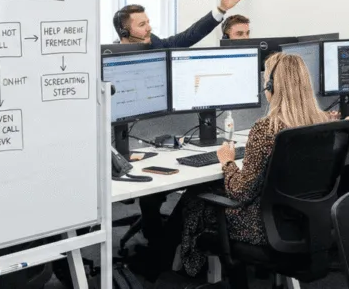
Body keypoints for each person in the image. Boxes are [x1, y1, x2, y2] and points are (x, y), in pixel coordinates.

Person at [135, 53, 329, 281]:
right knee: (199, 196)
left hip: (261, 227)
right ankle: (166, 264)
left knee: (195, 196)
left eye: (266, 79)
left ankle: (166, 268)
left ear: (272, 86)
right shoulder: (323, 121)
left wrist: (227, 161)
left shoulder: (266, 128)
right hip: (302, 221)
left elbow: (240, 191)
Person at [113, 0, 245, 47]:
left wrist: (221, 9)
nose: (149, 28)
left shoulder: (154, 43)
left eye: (148, 22)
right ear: (124, 33)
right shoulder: (107, 59)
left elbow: (190, 35)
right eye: (142, 25)